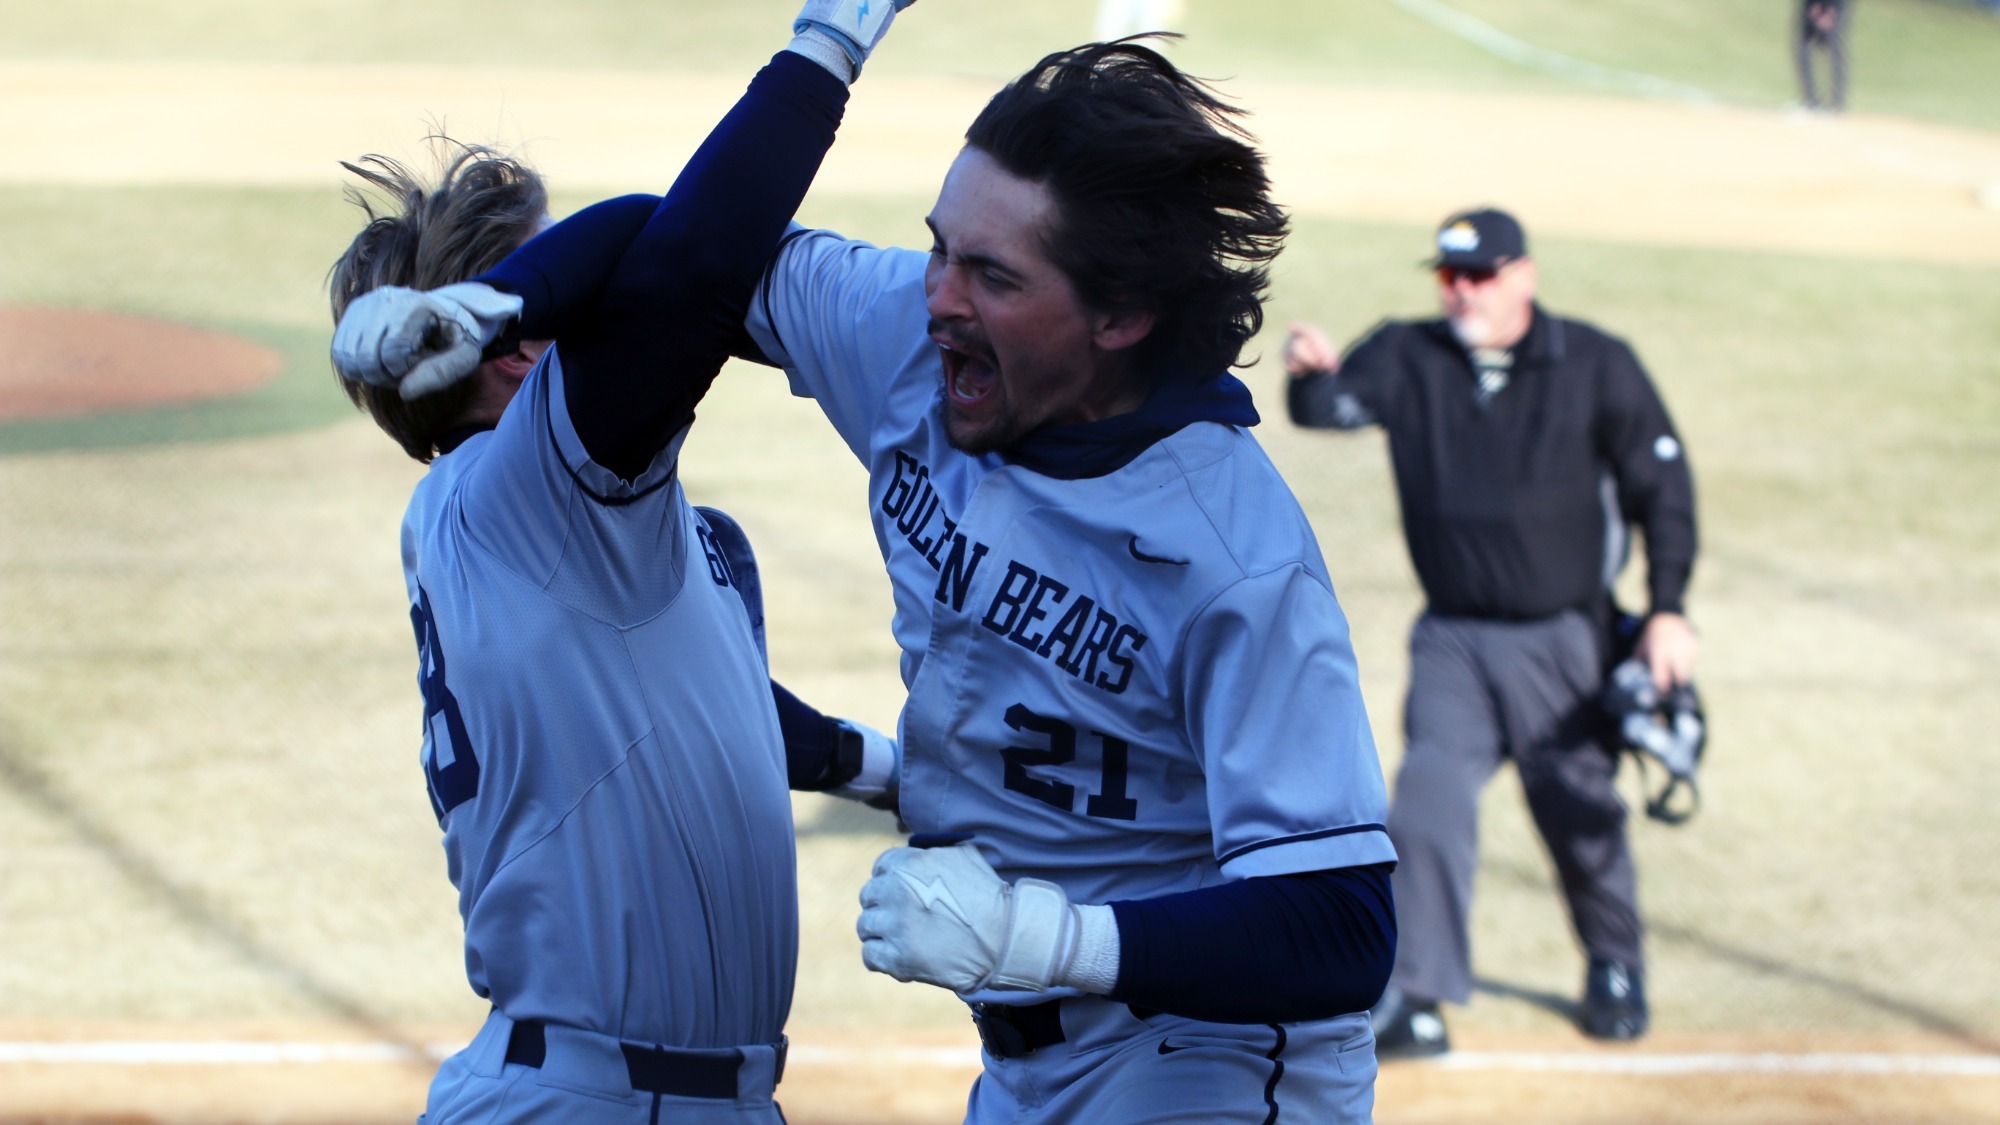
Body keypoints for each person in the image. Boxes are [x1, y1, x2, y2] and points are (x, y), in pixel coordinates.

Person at [333, 37, 1400, 1125]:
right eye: (939, 249)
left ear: (1118, 314)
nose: (936, 296)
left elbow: (1344, 922)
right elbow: (684, 247)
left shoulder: (1234, 555)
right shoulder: (906, 339)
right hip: (1020, 1067)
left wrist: (1039, 933)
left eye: (991, 274)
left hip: (1203, 1061)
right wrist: (511, 298)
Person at [322, 3, 910, 1121]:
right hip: (597, 1096)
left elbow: (708, 711)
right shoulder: (533, 487)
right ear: (516, 348)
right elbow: (682, 260)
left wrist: (879, 771)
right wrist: (831, 37)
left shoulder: (537, 526)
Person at [1282, 207, 1699, 1056]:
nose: (1460, 291)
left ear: (1523, 277)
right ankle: (1419, 998)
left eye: (1478, 276)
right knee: (1426, 807)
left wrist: (1666, 607)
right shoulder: (1409, 352)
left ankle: (1615, 964)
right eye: (1448, 276)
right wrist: (1306, 376)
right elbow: (1330, 408)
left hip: (1564, 639)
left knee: (1578, 812)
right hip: (1454, 641)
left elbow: (1665, 485)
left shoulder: (1593, 362)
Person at [1795, 0, 1850, 112]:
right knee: (1803, 49)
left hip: (1833, 5)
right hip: (1811, 5)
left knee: (1835, 51)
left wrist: (1830, 9)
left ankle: (1837, 102)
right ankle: (1811, 100)